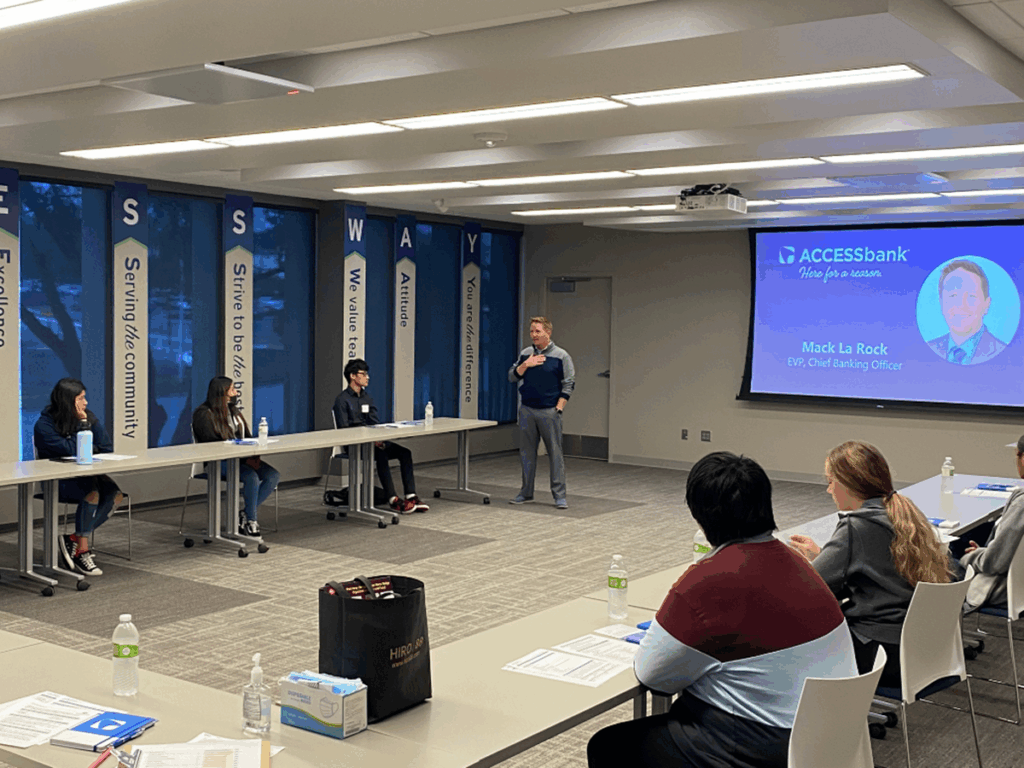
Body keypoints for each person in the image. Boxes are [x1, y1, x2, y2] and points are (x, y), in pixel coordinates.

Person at [587, 452, 856, 768]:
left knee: (610, 746)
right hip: (833, 735)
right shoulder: (796, 560)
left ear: (699, 517)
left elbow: (653, 675)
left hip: (771, 744)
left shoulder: (709, 580)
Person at [790, 440, 951, 688]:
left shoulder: (856, 526)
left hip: (882, 654)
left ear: (848, 483)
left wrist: (802, 565)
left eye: (830, 481)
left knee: (792, 648)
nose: (828, 490)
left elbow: (813, 589)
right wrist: (822, 554)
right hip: (926, 650)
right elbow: (877, 569)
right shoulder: (903, 513)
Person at [34, 377, 123, 576]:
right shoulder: (44, 425)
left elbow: (107, 447)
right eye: (81, 398)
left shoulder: (87, 416)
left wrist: (85, 423)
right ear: (69, 401)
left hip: (88, 474)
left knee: (116, 496)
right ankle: (82, 549)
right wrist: (84, 428)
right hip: (58, 480)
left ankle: (74, 538)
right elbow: (68, 450)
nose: (86, 403)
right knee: (92, 494)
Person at [332, 358, 427, 514]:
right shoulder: (342, 400)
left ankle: (411, 495)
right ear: (353, 376)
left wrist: (379, 437)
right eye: (363, 374)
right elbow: (344, 430)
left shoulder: (367, 398)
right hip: (355, 445)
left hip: (373, 441)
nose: (367, 377)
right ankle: (393, 499)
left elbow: (375, 422)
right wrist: (369, 438)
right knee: (381, 454)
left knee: (405, 453)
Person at [192, 376, 279, 536]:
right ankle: (251, 521)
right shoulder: (204, 414)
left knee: (272, 475)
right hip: (218, 462)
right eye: (232, 389)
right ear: (222, 392)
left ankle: (245, 513)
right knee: (251, 477)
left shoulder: (233, 410)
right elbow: (211, 445)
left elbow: (246, 435)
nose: (236, 392)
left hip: (240, 458)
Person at [507, 316, 575, 509]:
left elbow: (569, 383)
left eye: (537, 331)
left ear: (548, 332)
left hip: (549, 411)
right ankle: (526, 492)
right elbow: (512, 376)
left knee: (555, 454)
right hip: (527, 410)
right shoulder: (526, 353)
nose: (534, 335)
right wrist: (526, 364)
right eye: (531, 331)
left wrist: (559, 407)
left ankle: (559, 496)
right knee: (527, 454)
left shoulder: (561, 356)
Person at [959, 435, 1024, 612]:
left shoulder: (1021, 503)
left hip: (1009, 588)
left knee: (940, 564)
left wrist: (972, 557)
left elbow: (995, 564)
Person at [926, 259, 1006, 365]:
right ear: (941, 303)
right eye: (953, 295)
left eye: (971, 296)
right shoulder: (925, 350)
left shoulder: (1006, 354)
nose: (961, 305)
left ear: (986, 305)